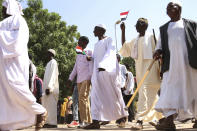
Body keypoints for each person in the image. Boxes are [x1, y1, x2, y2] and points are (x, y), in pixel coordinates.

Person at [0, 0, 47, 130]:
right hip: (2, 63)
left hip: (14, 61)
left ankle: (40, 110)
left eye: (4, 8)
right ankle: (7, 123)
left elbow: (17, 41)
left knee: (15, 85)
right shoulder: (2, 23)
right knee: (4, 93)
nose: (2, 11)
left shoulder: (19, 20)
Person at [153, 1, 197, 130]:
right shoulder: (163, 28)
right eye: (167, 8)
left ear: (179, 9)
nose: (168, 9)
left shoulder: (192, 24)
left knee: (194, 89)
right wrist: (157, 51)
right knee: (168, 89)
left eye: (171, 7)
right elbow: (159, 46)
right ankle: (169, 121)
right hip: (171, 65)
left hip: (190, 64)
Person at [119, 18, 162, 130]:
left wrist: (160, 57)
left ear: (145, 26)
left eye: (139, 24)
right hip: (140, 72)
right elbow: (124, 48)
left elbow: (161, 52)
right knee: (149, 96)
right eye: (136, 24)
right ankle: (156, 119)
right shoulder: (134, 41)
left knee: (147, 94)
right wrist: (123, 31)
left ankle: (141, 120)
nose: (137, 26)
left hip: (152, 70)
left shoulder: (153, 37)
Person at [84, 24, 128, 129]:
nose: (93, 31)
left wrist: (104, 65)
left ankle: (123, 117)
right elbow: (96, 57)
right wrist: (91, 58)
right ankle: (95, 121)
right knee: (95, 95)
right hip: (97, 73)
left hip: (107, 72)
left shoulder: (109, 40)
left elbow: (110, 53)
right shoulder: (96, 44)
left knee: (113, 95)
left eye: (95, 30)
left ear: (101, 30)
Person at [67, 36, 92, 127]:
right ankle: (88, 121)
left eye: (79, 41)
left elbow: (93, 63)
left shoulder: (89, 51)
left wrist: (91, 78)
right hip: (79, 80)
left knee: (82, 98)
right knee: (84, 100)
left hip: (87, 78)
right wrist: (70, 78)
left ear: (85, 42)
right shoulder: (79, 54)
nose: (78, 43)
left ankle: (84, 121)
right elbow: (75, 68)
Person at [42, 49, 59, 128]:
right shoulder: (48, 63)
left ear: (51, 54)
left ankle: (52, 123)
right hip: (46, 88)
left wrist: (49, 87)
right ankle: (47, 122)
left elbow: (53, 76)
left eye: (47, 53)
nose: (46, 55)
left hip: (51, 89)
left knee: (51, 106)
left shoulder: (53, 62)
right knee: (47, 105)